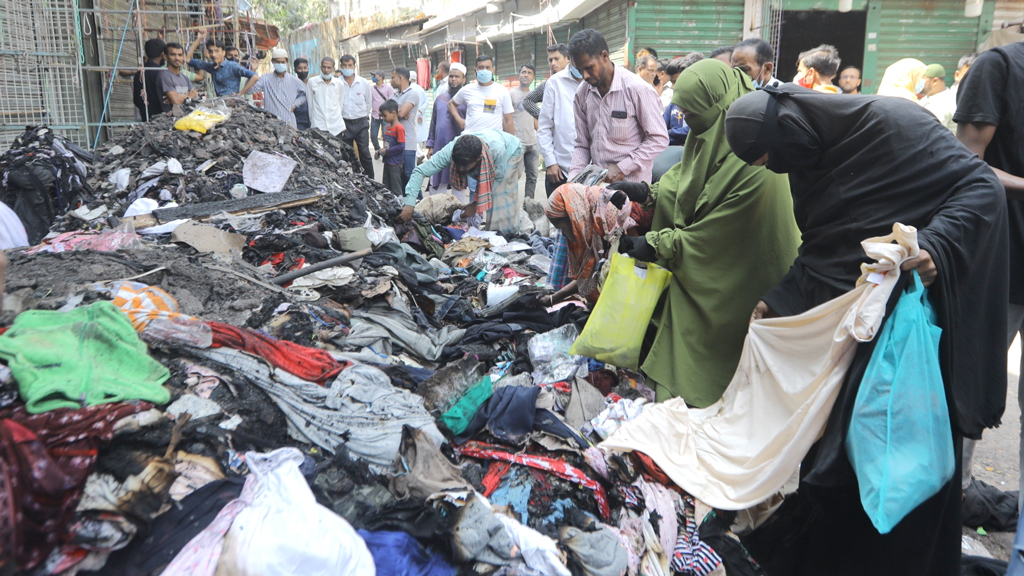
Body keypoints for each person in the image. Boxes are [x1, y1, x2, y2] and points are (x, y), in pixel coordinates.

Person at [724, 79, 1008, 576]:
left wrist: (936, 246)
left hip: (913, 335)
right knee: (840, 464)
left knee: (904, 465)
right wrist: (778, 299)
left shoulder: (896, 124)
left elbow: (980, 188)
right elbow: (824, 245)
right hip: (853, 336)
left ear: (789, 127)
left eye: (772, 157)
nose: (778, 169)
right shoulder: (805, 158)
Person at [612, 59, 800, 405]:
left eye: (691, 111)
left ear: (718, 105)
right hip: (712, 253)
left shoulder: (754, 157)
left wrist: (653, 245)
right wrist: (646, 192)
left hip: (741, 274)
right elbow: (686, 176)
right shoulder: (711, 134)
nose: (684, 119)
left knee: (704, 338)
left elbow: (716, 235)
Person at [955, 39, 1024, 503]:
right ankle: (948, 502)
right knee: (970, 389)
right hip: (1003, 265)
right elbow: (964, 161)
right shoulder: (999, 67)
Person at [568, 29, 669, 184]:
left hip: (633, 191)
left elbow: (658, 138)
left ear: (604, 56)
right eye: (579, 70)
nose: (585, 76)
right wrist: (572, 183)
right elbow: (582, 144)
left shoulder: (638, 90)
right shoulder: (582, 93)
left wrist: (623, 167)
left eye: (589, 68)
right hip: (597, 190)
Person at [398, 130, 525, 234]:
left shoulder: (497, 151)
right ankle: (491, 231)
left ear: (479, 159)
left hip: (510, 152)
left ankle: (505, 235)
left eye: (464, 167)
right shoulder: (450, 151)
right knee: (491, 204)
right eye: (458, 165)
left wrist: (475, 204)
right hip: (489, 147)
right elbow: (419, 172)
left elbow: (495, 181)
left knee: (500, 199)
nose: (460, 169)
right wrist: (409, 205)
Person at [542, 184, 637, 304]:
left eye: (562, 228)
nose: (564, 235)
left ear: (575, 217)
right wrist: (552, 298)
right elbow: (586, 276)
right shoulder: (591, 228)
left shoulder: (612, 226)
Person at [537, 61, 584, 196]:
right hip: (559, 170)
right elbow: (544, 127)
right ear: (571, 58)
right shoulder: (554, 82)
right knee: (559, 215)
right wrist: (550, 162)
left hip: (590, 173)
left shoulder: (596, 81)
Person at [425, 63, 467, 196]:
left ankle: (456, 215)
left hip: (459, 149)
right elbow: (433, 123)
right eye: (451, 76)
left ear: (464, 80)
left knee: (458, 186)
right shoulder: (439, 99)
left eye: (457, 77)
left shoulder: (468, 100)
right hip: (440, 147)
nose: (453, 79)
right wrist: (430, 145)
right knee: (437, 185)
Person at [449, 55, 514, 135]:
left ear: (493, 70)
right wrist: (460, 120)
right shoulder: (467, 89)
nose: (484, 70)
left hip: (493, 140)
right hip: (471, 139)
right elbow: (451, 104)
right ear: (475, 70)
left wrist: (512, 143)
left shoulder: (502, 91)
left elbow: (508, 120)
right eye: (481, 67)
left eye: (487, 67)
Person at [243, 49, 307, 129]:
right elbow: (249, 90)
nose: (280, 64)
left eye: (282, 62)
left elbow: (306, 94)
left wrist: (295, 105)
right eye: (277, 62)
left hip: (289, 124)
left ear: (286, 62)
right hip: (270, 125)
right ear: (272, 61)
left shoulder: (294, 80)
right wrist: (252, 71)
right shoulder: (265, 78)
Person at [185, 31, 258, 97]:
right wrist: (199, 39)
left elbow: (254, 77)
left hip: (233, 103)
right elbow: (187, 59)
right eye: (211, 51)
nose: (213, 54)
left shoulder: (232, 66)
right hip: (220, 103)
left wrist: (240, 94)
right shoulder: (211, 66)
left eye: (217, 51)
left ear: (223, 53)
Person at [336, 54, 374, 178]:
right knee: (347, 154)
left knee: (364, 153)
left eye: (350, 65)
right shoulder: (337, 83)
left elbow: (368, 102)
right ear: (341, 66)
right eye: (345, 65)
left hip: (361, 123)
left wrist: (362, 116)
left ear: (354, 66)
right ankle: (354, 180)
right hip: (344, 124)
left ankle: (371, 179)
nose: (347, 68)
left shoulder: (363, 83)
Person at [391, 67, 426, 187]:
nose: (390, 81)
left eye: (392, 77)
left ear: (400, 78)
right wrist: (399, 112)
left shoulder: (412, 94)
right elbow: (384, 112)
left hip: (408, 142)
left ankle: (419, 202)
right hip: (395, 142)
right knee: (399, 177)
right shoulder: (394, 96)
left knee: (409, 174)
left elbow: (399, 114)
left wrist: (397, 113)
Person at [510, 64, 540, 201]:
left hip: (532, 143)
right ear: (519, 75)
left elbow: (534, 118)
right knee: (514, 177)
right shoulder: (511, 94)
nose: (525, 75)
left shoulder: (534, 95)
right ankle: (511, 208)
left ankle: (529, 206)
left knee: (533, 177)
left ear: (533, 77)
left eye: (529, 73)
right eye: (523, 72)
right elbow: (506, 118)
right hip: (517, 143)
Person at [662, 52, 704, 147]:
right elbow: (660, 128)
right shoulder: (674, 104)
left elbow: (694, 130)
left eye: (678, 81)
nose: (674, 87)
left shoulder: (706, 102)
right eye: (672, 82)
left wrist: (670, 133)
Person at [521, 44, 570, 119]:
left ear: (568, 58)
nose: (553, 63)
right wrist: (546, 118)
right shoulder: (549, 84)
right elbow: (527, 101)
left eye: (556, 59)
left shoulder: (579, 79)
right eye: (550, 60)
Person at [306, 57, 346, 137]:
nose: (326, 70)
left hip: (336, 128)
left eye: (329, 68)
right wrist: (313, 121)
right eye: (324, 67)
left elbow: (340, 105)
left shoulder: (339, 84)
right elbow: (310, 105)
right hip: (318, 127)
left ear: (333, 69)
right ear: (321, 68)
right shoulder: (312, 82)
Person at [155, 42, 197, 114]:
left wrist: (179, 96)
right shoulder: (164, 75)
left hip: (187, 116)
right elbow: (176, 102)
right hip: (171, 120)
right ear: (165, 57)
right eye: (173, 55)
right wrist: (188, 96)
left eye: (180, 55)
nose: (177, 58)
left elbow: (196, 97)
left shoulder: (184, 77)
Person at [375, 100, 406, 197]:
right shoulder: (388, 127)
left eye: (384, 115)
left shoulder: (399, 128)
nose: (383, 118)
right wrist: (380, 151)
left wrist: (386, 151)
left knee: (396, 188)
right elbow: (388, 144)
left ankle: (399, 207)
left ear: (393, 113)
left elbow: (401, 146)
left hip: (395, 164)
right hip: (387, 162)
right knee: (386, 187)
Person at [133, 38, 165, 121]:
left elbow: (136, 100)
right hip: (163, 120)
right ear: (163, 54)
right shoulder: (161, 73)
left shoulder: (139, 74)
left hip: (146, 120)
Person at [918, 64, 956, 133]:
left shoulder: (943, 102)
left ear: (935, 81)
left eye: (922, 80)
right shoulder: (926, 99)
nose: (918, 83)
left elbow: (933, 133)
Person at [369, 70, 394, 153]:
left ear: (381, 77)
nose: (373, 78)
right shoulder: (371, 88)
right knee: (373, 135)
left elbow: (392, 101)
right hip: (375, 116)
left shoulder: (388, 88)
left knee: (385, 135)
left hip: (385, 117)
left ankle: (385, 151)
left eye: (375, 76)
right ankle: (377, 149)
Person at [293, 58, 311, 130]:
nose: (303, 71)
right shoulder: (292, 85)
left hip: (313, 120)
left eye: (305, 68)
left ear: (308, 69)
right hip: (299, 121)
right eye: (300, 68)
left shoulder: (312, 84)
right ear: (295, 70)